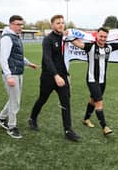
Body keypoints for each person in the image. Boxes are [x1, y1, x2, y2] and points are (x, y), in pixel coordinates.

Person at [70, 27, 118, 135]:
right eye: (101, 36)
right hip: (92, 80)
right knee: (99, 102)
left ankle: (86, 119)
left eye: (105, 37)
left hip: (102, 81)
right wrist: (69, 34)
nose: (103, 39)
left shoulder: (109, 47)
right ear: (96, 36)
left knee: (93, 100)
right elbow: (77, 43)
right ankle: (104, 127)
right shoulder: (90, 47)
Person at [28, 14, 81, 142]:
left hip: (63, 77)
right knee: (42, 99)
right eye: (58, 23)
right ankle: (32, 118)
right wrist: (55, 75)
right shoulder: (48, 39)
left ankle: (68, 130)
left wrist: (65, 74)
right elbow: (47, 59)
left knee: (66, 102)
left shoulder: (66, 38)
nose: (61, 25)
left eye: (62, 22)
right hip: (49, 77)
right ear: (52, 25)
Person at [0, 15, 38, 139]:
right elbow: (3, 59)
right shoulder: (7, 38)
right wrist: (8, 76)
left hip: (18, 72)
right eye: (18, 24)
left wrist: (29, 63)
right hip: (12, 74)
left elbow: (18, 55)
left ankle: (1, 118)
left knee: (14, 99)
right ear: (11, 24)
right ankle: (11, 126)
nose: (21, 27)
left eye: (22, 24)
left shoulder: (16, 37)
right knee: (15, 101)